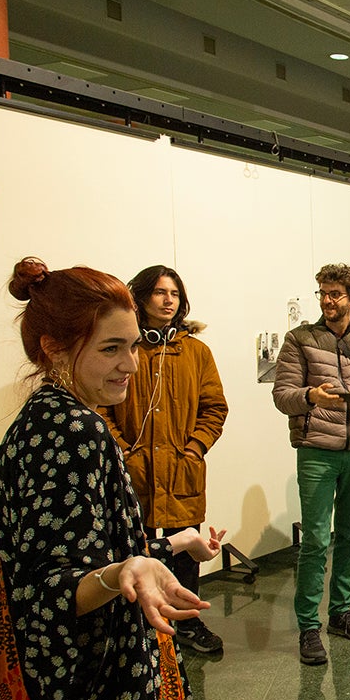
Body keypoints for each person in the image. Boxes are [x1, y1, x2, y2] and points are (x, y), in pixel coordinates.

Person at [0, 258, 223, 700]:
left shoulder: (54, 416)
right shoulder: (76, 431)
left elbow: (87, 552)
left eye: (133, 346)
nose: (130, 365)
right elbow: (50, 587)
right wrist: (125, 575)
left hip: (75, 698)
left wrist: (171, 548)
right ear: (54, 349)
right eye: (111, 349)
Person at [272, 263, 350, 664]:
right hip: (317, 450)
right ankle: (309, 626)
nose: (327, 301)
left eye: (335, 294)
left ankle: (341, 612)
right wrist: (311, 396)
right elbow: (282, 394)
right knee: (315, 540)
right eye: (323, 294)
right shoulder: (299, 339)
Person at [102, 265, 228, 656]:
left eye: (174, 292)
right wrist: (124, 451)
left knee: (186, 550)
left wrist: (194, 448)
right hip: (133, 473)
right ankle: (138, 623)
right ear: (140, 297)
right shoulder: (126, 350)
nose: (168, 299)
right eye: (159, 291)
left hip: (182, 472)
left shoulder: (197, 352)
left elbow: (215, 408)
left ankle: (187, 620)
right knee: (132, 548)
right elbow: (102, 407)